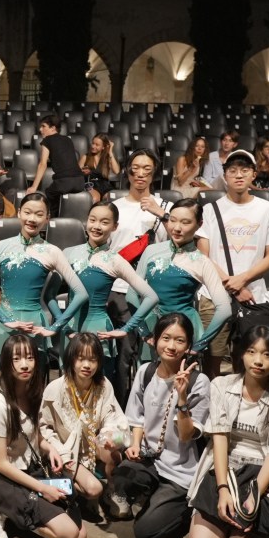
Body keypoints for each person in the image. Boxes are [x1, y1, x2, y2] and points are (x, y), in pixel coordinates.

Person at [187, 325, 269, 538]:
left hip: (261, 475)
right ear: (240, 353)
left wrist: (254, 497)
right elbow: (220, 438)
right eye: (251, 351)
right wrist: (222, 488)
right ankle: (222, 525)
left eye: (268, 354)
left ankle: (241, 531)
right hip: (224, 468)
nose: (258, 361)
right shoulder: (221, 385)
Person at [0, 333, 86, 538]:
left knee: (80, 535)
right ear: (6, 363)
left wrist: (50, 448)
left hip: (30, 470)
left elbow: (35, 435)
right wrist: (42, 489)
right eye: (16, 359)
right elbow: (1, 463)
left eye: (30, 357)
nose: (24, 365)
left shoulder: (32, 392)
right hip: (3, 478)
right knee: (70, 534)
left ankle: (11, 513)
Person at [111, 313, 211, 538]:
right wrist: (135, 444)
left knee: (146, 534)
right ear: (154, 340)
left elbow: (186, 435)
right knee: (121, 476)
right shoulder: (146, 372)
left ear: (188, 346)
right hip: (150, 458)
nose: (171, 346)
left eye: (180, 340)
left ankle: (182, 506)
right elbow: (136, 417)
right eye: (166, 338)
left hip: (179, 470)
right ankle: (153, 495)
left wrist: (182, 397)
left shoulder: (199, 382)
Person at [0, 193, 88, 372]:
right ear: (19, 213)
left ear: (47, 218)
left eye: (39, 214)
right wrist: (4, 319)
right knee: (6, 381)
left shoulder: (52, 251)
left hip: (35, 326)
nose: (32, 219)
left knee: (33, 381)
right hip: (4, 325)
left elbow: (81, 293)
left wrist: (56, 326)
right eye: (27, 212)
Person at [196, 150, 269, 379]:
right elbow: (203, 255)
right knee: (212, 359)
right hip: (214, 294)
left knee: (249, 358)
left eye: (245, 170)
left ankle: (242, 398)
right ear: (225, 175)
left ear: (253, 175)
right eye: (233, 170)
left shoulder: (267, 210)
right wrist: (234, 286)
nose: (239, 175)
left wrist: (243, 279)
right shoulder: (210, 210)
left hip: (253, 294)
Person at [50, 201, 159, 384]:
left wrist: (126, 329)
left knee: (97, 386)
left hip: (98, 330)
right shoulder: (68, 253)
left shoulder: (115, 260)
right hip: (70, 330)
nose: (97, 226)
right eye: (92, 220)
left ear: (115, 227)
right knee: (68, 386)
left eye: (104, 222)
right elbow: (49, 295)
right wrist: (64, 326)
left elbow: (151, 297)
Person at [127, 198, 232, 356]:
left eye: (185, 222)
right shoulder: (151, 251)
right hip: (152, 330)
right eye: (172, 220)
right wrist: (144, 331)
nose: (176, 228)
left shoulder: (202, 261)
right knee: (149, 371)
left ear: (199, 224)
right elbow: (131, 294)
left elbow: (224, 309)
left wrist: (199, 345)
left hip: (183, 332)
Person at [40, 334, 128, 516]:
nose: (87, 365)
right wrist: (59, 452)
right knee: (94, 489)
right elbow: (43, 428)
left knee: (115, 453)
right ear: (71, 359)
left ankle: (112, 490)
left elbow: (116, 421)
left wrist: (110, 436)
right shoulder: (55, 389)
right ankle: (71, 489)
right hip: (66, 452)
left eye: (92, 360)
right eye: (80, 359)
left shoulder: (104, 385)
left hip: (92, 448)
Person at [107, 149, 170, 403]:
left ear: (154, 173)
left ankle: (153, 407)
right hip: (120, 289)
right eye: (135, 168)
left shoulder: (166, 207)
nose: (140, 174)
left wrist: (161, 214)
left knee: (154, 353)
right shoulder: (115, 207)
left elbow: (180, 239)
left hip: (154, 292)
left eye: (147, 168)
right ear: (127, 171)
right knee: (123, 355)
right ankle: (121, 408)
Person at [30, 115, 84, 216]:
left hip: (64, 183)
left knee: (49, 194)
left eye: (43, 126)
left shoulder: (47, 140)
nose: (40, 129)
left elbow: (43, 164)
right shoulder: (67, 139)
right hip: (80, 182)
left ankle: (52, 220)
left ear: (53, 128)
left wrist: (33, 187)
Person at [79, 133, 120, 202]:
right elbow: (77, 174)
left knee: (111, 198)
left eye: (97, 145)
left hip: (105, 185)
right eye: (93, 143)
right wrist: (83, 172)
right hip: (90, 185)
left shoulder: (107, 158)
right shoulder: (85, 157)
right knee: (95, 199)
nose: (93, 146)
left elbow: (116, 171)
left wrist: (110, 152)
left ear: (103, 147)